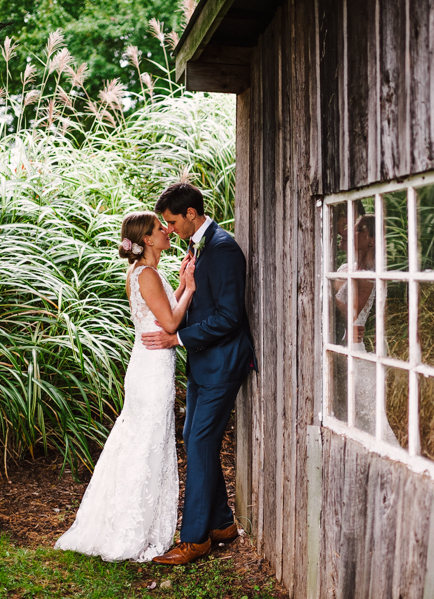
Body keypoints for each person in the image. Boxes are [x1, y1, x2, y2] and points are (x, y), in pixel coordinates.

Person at [54, 211, 196, 562]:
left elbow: (162, 308)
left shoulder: (142, 272)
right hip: (152, 370)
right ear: (147, 240)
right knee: (146, 444)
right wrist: (190, 288)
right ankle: (130, 531)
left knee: (142, 442)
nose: (167, 231)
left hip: (148, 366)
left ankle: (130, 523)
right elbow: (170, 321)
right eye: (160, 229)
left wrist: (178, 284)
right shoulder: (146, 273)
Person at [142, 182, 256, 566]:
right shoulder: (197, 246)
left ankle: (195, 539)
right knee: (194, 437)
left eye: (172, 221)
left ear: (191, 214)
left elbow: (229, 316)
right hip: (203, 362)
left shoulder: (222, 249)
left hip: (223, 363)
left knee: (198, 442)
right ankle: (222, 524)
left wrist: (179, 338)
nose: (168, 229)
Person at [333, 215, 399, 445]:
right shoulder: (345, 268)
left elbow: (346, 313)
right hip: (340, 349)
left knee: (368, 428)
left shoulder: (369, 276)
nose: (352, 231)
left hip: (354, 359)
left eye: (359, 229)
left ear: (371, 240)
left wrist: (324, 284)